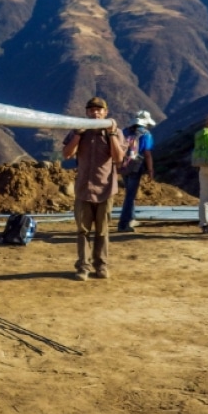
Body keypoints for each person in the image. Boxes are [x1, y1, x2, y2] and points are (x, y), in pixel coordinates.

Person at [62, 97, 126, 281]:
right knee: (82, 231)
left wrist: (112, 134)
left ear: (106, 113)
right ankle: (83, 267)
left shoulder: (116, 133)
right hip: (83, 189)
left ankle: (101, 265)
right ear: (86, 112)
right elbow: (67, 154)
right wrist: (78, 135)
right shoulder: (79, 132)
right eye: (91, 110)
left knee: (102, 231)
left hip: (105, 189)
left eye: (99, 110)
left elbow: (118, 158)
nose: (95, 113)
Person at [117, 110, 156, 232]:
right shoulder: (146, 134)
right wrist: (150, 169)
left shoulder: (124, 131)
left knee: (129, 193)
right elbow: (147, 153)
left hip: (122, 165)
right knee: (130, 195)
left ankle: (131, 218)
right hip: (136, 165)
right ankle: (124, 223)